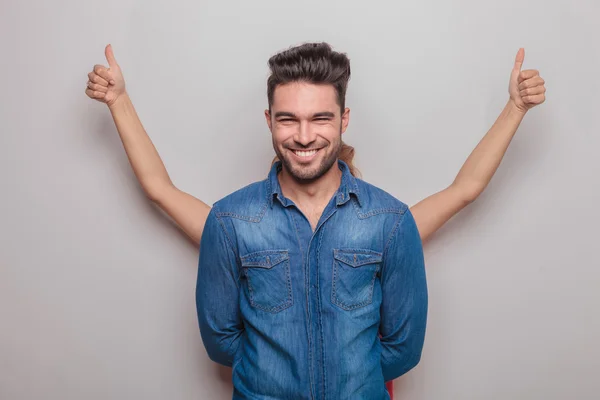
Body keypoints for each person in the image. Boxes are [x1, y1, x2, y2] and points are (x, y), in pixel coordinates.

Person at [85, 42, 546, 400]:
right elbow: (159, 189)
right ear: (271, 122)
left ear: (342, 123)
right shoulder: (234, 223)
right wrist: (119, 101)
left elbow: (463, 190)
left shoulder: (385, 223)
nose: (305, 136)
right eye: (289, 121)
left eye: (320, 120)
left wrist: (515, 109)